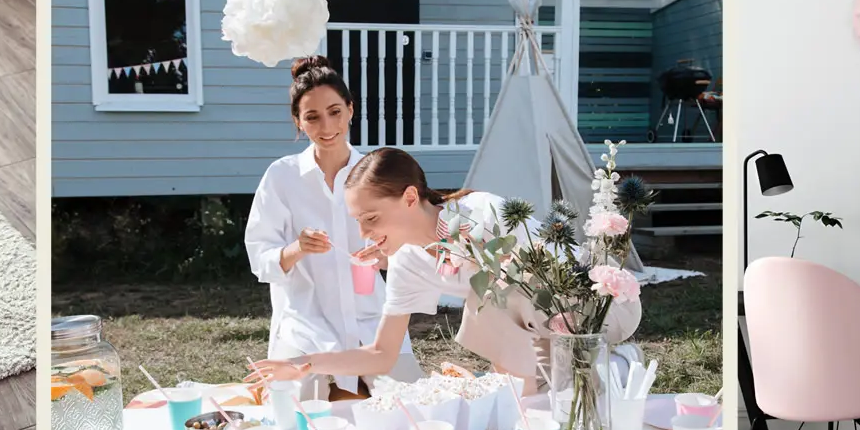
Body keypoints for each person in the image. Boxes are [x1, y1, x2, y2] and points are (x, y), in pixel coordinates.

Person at [248, 147, 643, 393]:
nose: (364, 233)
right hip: (535, 334)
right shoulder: (405, 260)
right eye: (358, 222)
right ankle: (574, 379)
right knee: (529, 397)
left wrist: (510, 374)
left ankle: (615, 365)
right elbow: (381, 353)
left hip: (595, 308)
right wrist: (305, 364)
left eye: (370, 218)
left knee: (490, 298)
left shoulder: (481, 213)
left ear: (408, 197)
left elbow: (541, 282)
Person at [242, 56, 422, 401]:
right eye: (312, 117)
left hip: (372, 321)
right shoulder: (282, 177)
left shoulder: (375, 172)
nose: (326, 127)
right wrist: (298, 248)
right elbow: (260, 259)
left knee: (411, 414)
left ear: (351, 109)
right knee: (302, 428)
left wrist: (384, 255)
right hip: (306, 325)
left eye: (335, 112)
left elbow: (409, 246)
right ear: (298, 121)